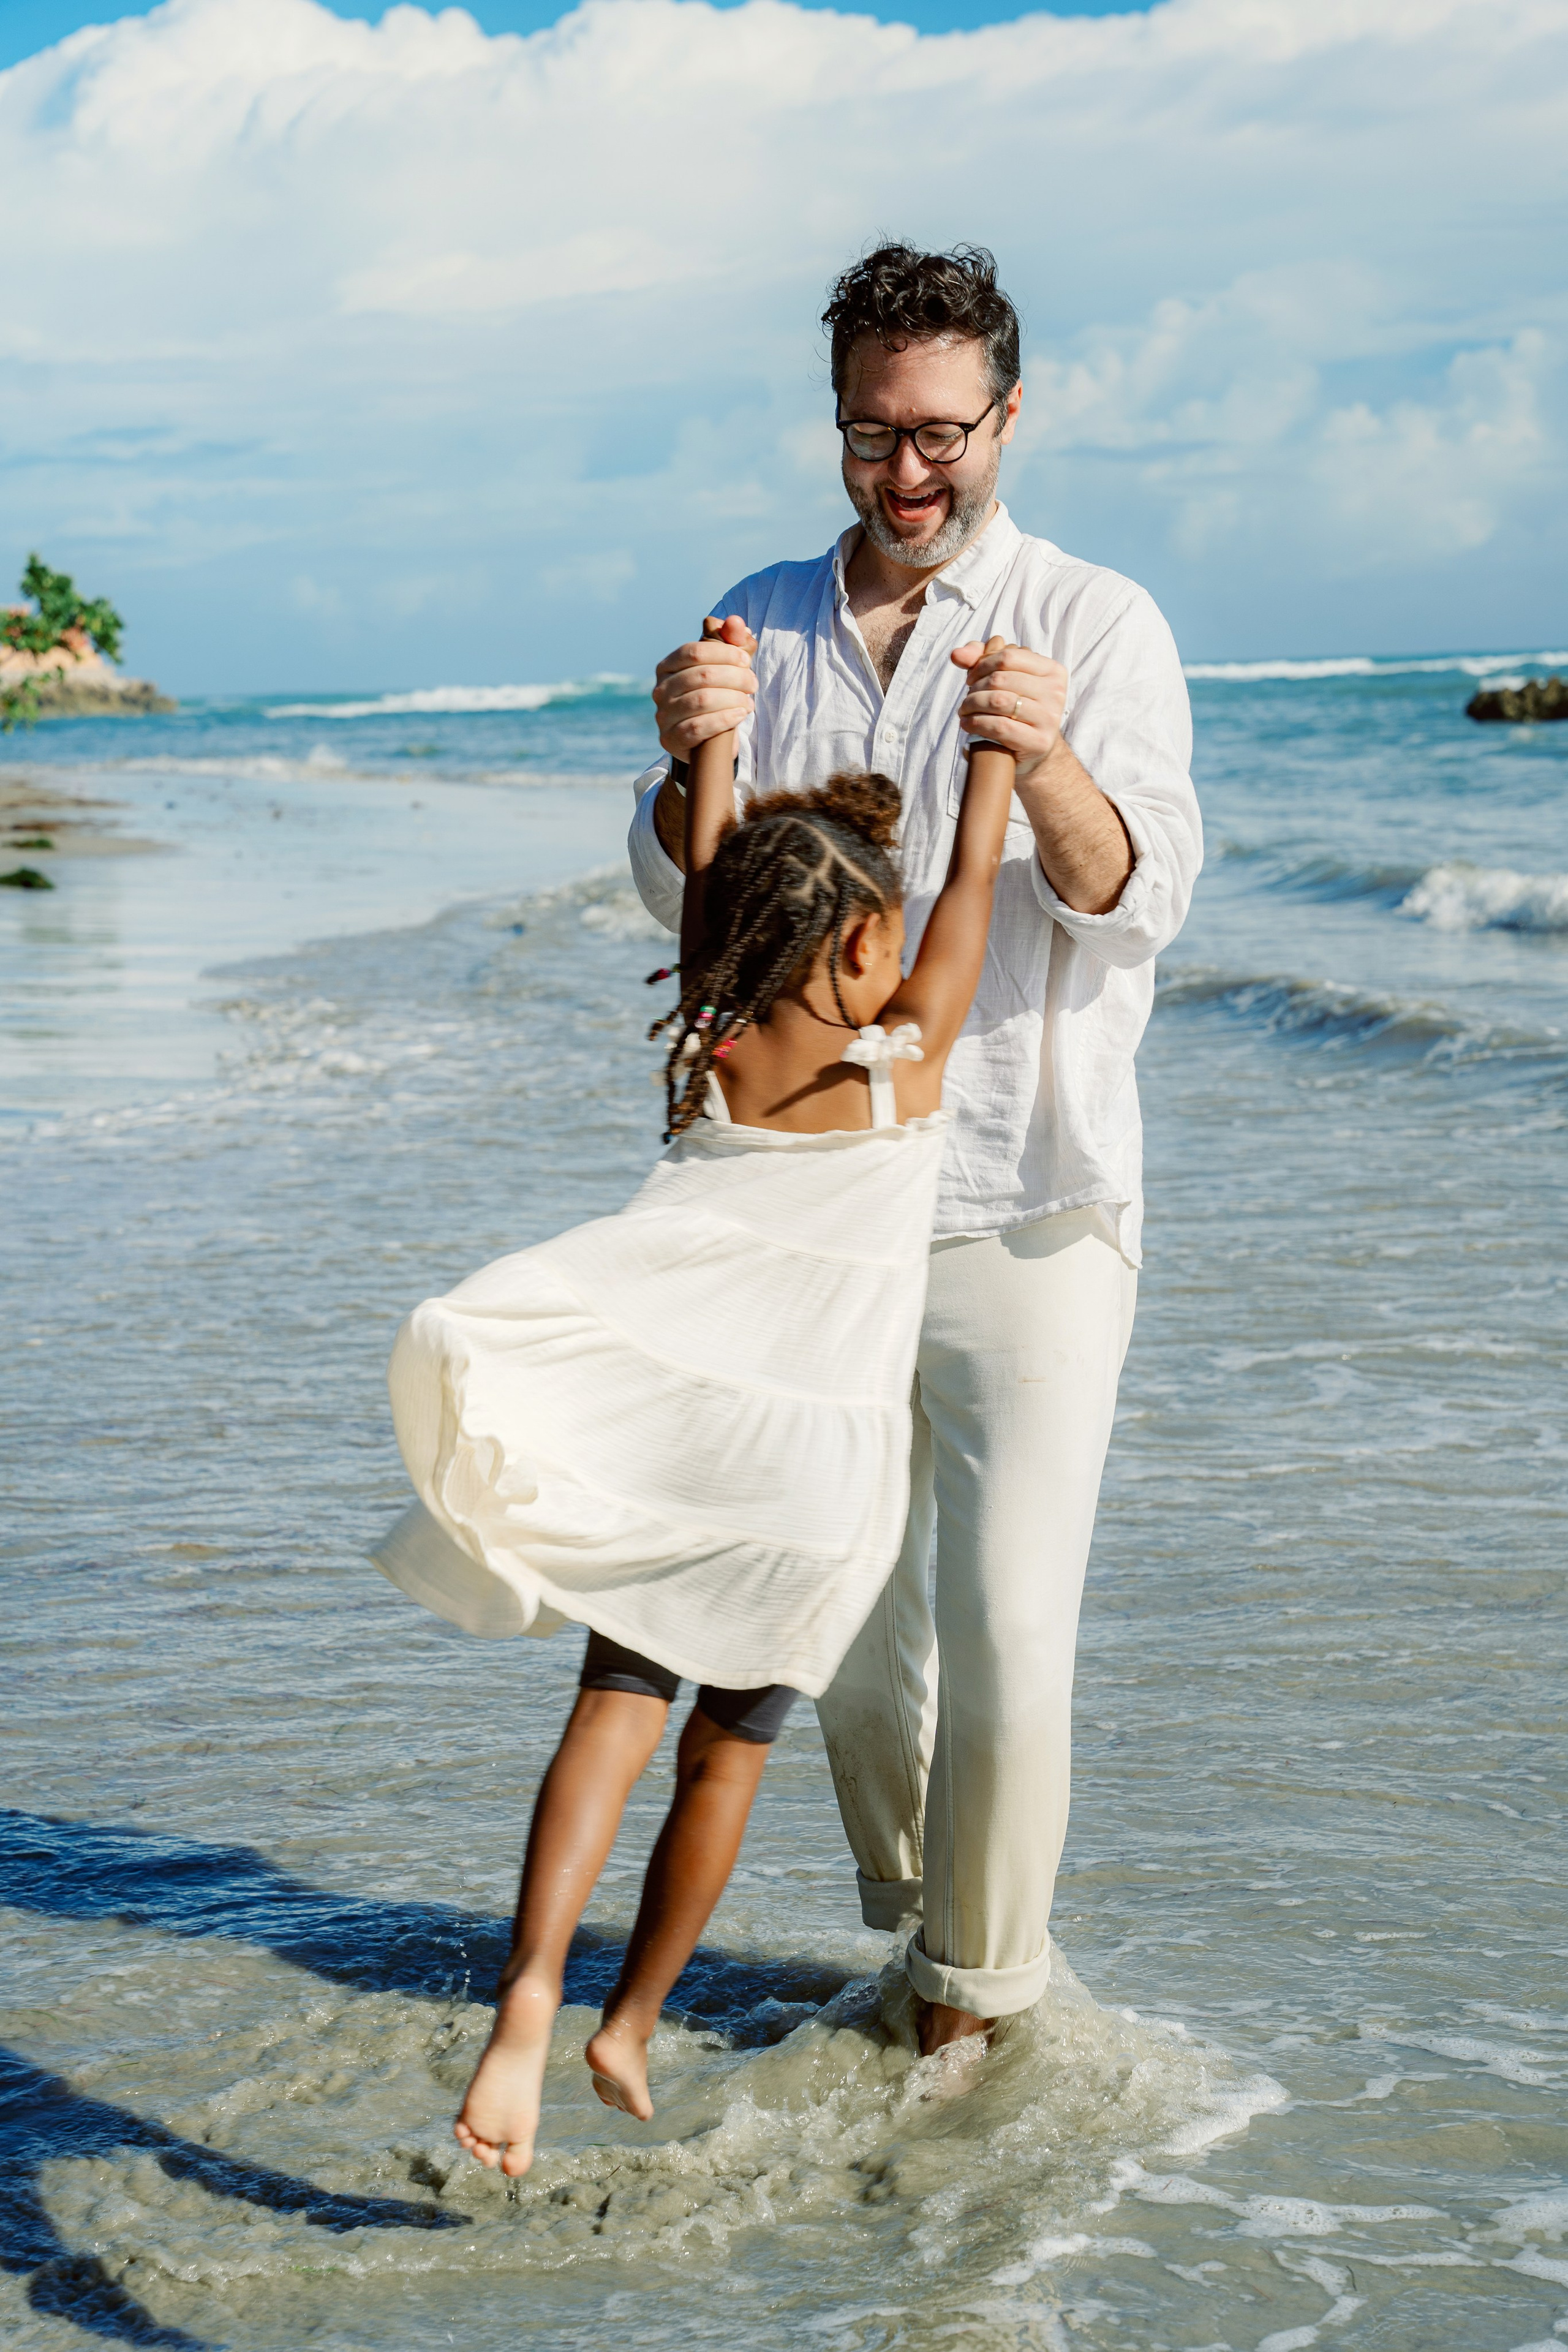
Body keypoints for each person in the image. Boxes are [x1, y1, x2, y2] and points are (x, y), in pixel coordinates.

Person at [627, 245, 1203, 2056]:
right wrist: (674, 764)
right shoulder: (760, 612)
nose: (909, 473)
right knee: (857, 1650)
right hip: (817, 1207)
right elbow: (689, 901)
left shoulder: (1098, 620)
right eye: (874, 435)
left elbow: (1139, 895)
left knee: (1015, 1632)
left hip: (1036, 1195)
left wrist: (1044, 767)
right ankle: (925, 1928)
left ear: (1010, 415)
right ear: (839, 426)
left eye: (944, 433)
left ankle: (971, 2014)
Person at [372, 633, 1020, 2174]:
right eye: (883, 931)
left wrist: (717, 743)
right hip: (809, 1494)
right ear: (867, 939)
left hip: (684, 1454)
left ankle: (531, 1995)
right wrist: (993, 751)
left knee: (608, 1716)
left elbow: (724, 870)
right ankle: (631, 2021)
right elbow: (977, 888)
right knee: (724, 1761)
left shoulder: (716, 1051)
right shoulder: (898, 1073)